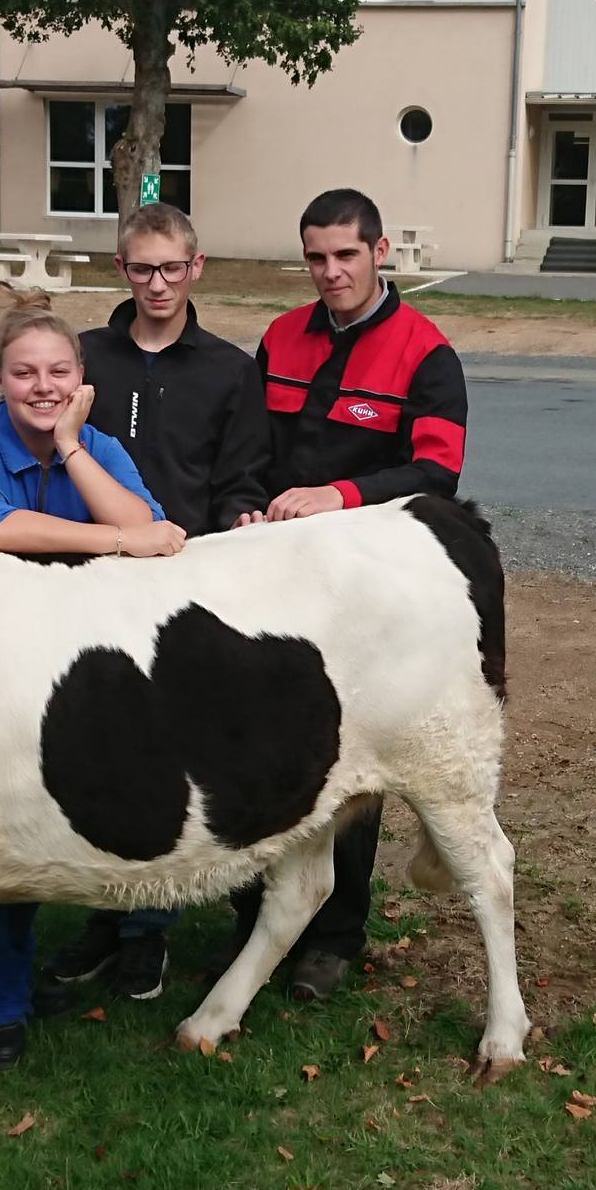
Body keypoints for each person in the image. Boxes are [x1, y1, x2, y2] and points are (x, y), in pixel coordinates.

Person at [0, 294, 185, 1070]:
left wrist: (73, 448)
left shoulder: (96, 442)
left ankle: (113, 944)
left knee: (84, 807)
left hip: (89, 664)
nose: (40, 387)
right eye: (22, 373)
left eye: (58, 372)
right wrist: (116, 540)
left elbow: (153, 524)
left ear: (81, 377)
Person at [233, 186, 469, 999]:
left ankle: (334, 937)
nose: (329, 272)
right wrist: (244, 503)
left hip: (362, 584)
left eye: (344, 255)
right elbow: (250, 444)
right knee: (258, 741)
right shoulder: (278, 338)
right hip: (271, 569)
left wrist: (339, 495)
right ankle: (250, 915)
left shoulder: (425, 352)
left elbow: (437, 472)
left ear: (378, 253)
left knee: (350, 756)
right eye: (315, 257)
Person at [43, 201, 271, 1002]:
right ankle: (100, 914)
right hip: (93, 578)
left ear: (196, 267)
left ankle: (150, 928)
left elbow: (241, 474)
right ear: (120, 269)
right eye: (142, 268)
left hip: (184, 584)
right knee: (91, 746)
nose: (157, 284)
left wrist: (230, 530)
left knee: (165, 753)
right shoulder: (86, 358)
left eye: (172, 268)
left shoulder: (228, 368)